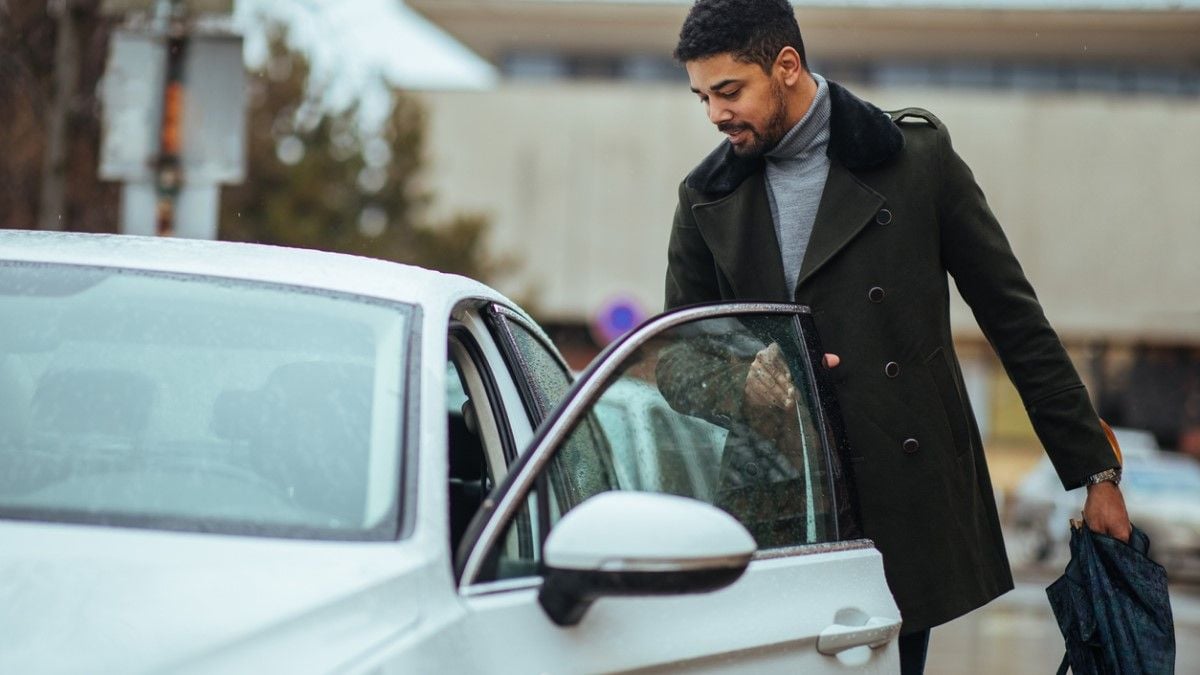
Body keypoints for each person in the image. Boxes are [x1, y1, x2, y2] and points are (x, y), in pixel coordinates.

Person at [664, 1, 1132, 672]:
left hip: (896, 505)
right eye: (702, 96)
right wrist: (742, 384)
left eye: (729, 91)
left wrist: (1095, 471)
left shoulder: (915, 162)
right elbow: (681, 356)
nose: (714, 114)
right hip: (772, 508)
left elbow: (1015, 321)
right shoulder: (705, 197)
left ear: (787, 66)